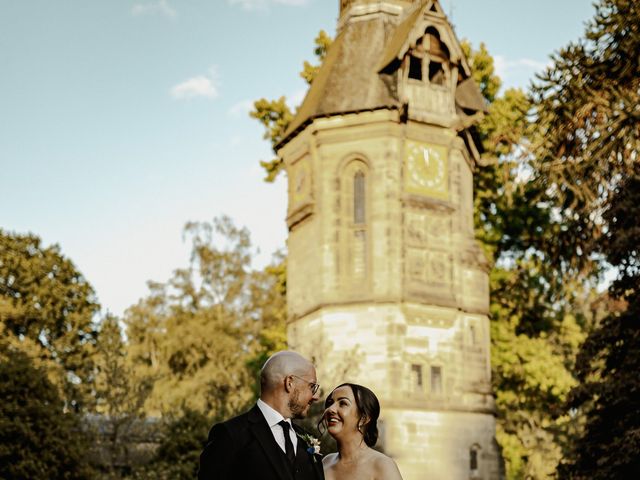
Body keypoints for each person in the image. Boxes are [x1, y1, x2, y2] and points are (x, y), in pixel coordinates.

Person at [198, 350, 325, 480]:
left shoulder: (307, 441)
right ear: (289, 383)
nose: (316, 396)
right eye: (312, 386)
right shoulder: (230, 435)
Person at [321, 383, 403, 480]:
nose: (330, 409)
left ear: (364, 419)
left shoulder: (382, 465)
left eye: (343, 403)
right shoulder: (325, 462)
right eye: (330, 403)